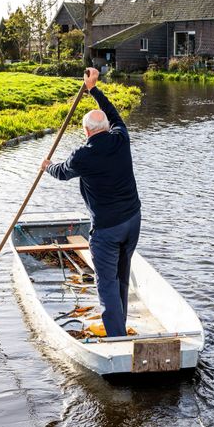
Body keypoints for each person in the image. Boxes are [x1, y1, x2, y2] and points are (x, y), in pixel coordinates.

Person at [42, 67, 141, 337]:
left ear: (86, 132)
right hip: (133, 221)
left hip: (107, 229)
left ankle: (118, 337)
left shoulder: (82, 156)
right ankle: (120, 324)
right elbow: (112, 112)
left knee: (106, 282)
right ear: (107, 127)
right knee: (122, 275)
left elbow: (62, 172)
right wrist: (93, 89)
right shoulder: (121, 138)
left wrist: (47, 166)